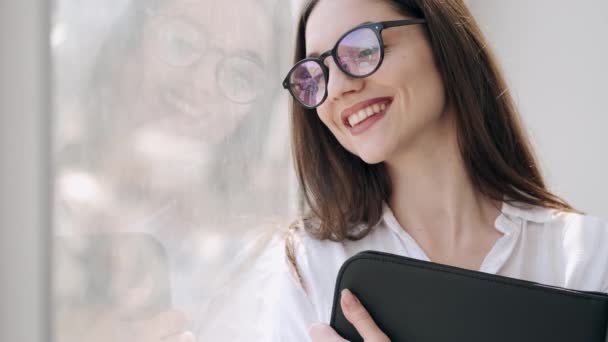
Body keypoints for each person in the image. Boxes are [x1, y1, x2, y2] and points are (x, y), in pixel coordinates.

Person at [273, 0, 608, 341]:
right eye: (317, 73)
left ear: (441, 40)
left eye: (361, 50)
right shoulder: (310, 266)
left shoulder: (586, 257)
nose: (338, 89)